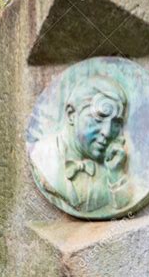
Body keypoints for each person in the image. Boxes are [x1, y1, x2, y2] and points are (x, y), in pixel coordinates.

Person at [29, 75, 131, 216]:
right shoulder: (42, 156)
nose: (107, 132)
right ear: (71, 114)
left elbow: (123, 207)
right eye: (99, 118)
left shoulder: (111, 168)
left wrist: (116, 174)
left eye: (116, 123)